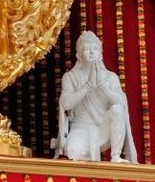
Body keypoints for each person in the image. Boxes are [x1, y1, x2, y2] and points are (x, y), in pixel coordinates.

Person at [55, 31, 136, 163]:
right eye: (87, 49)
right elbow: (65, 104)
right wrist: (87, 86)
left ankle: (116, 155)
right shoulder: (70, 77)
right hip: (81, 127)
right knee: (72, 151)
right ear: (79, 54)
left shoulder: (110, 77)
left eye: (95, 49)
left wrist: (103, 87)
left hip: (103, 127)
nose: (92, 52)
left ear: (100, 53)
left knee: (117, 109)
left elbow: (121, 102)